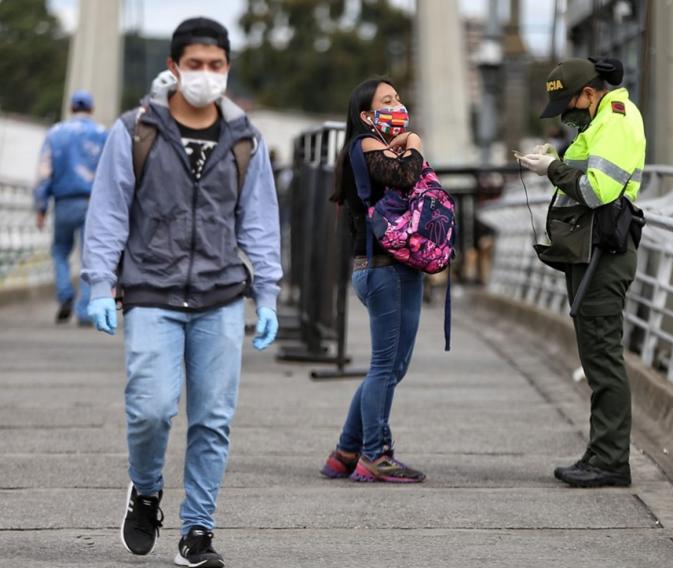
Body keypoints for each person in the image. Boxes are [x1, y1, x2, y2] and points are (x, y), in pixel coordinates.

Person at [81, 17, 282, 567]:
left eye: (216, 66)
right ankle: (145, 490)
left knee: (212, 420)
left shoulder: (245, 139)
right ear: (173, 68)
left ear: (227, 69)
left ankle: (198, 532)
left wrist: (267, 293)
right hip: (151, 291)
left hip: (219, 294)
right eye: (195, 65)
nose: (205, 75)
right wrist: (100, 283)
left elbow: (259, 221)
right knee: (150, 410)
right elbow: (108, 211)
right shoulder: (136, 129)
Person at [518, 57, 645, 488]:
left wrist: (551, 169)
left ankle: (611, 461)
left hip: (603, 255)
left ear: (589, 93)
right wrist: (554, 160)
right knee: (595, 356)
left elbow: (596, 190)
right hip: (591, 252)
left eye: (568, 105)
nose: (566, 116)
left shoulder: (617, 120)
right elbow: (579, 171)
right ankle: (601, 450)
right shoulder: (599, 123)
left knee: (603, 357)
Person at [321, 78, 427, 483]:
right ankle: (374, 454)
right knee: (386, 367)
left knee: (387, 367)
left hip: (376, 269)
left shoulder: (360, 149)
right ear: (367, 115)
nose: (398, 104)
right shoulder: (366, 145)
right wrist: (413, 143)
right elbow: (405, 176)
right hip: (389, 270)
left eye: (398, 97)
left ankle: (346, 451)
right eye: (388, 100)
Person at [33, 90, 107, 324]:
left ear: (71, 108)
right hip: (94, 203)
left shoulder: (56, 133)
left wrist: (41, 206)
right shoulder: (102, 134)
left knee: (60, 251)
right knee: (90, 257)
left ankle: (65, 294)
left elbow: (44, 172)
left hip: (64, 202)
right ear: (92, 109)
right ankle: (85, 310)